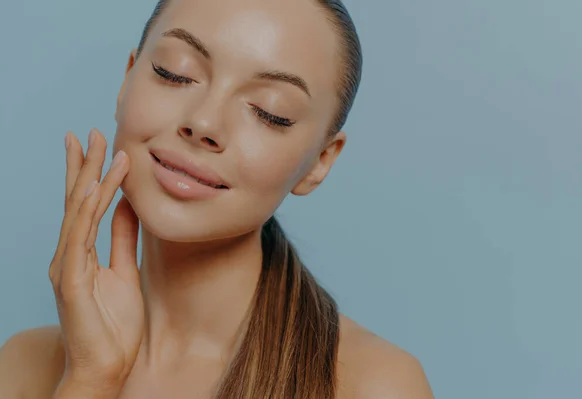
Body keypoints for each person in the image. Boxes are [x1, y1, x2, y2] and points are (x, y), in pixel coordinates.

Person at [0, 0, 434, 397]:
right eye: (175, 73)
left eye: (269, 112)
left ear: (320, 161)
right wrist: (92, 377)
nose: (204, 122)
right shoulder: (24, 365)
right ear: (126, 80)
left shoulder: (374, 385)